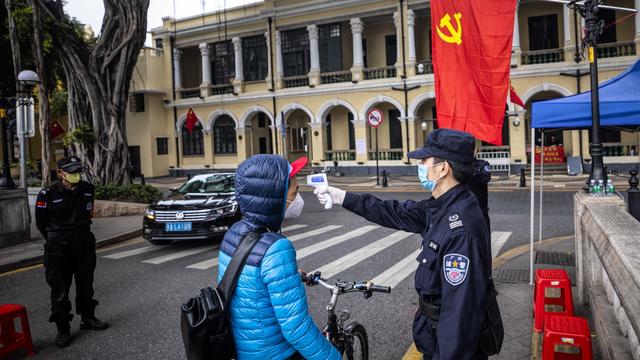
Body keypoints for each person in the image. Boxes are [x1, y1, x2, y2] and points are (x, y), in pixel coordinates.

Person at [315, 129, 493, 359]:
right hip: (434, 336)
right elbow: (394, 211)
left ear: (443, 168)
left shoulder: (460, 227)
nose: (419, 164)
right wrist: (342, 197)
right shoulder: (443, 206)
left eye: (424, 160)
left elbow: (460, 314)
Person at [217, 155, 340, 360]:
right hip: (274, 353)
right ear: (277, 196)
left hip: (243, 348)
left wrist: (287, 275)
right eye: (295, 191)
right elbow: (296, 328)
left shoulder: (234, 232)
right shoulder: (276, 248)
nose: (297, 196)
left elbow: (247, 282)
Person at [35, 156, 108, 348]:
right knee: (59, 289)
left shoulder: (87, 189)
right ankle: (63, 328)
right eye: (72, 171)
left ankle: (87, 318)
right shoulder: (47, 194)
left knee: (86, 282)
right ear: (60, 173)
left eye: (78, 171)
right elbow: (41, 223)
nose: (76, 175)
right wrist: (55, 238)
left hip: (83, 241)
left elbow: (88, 213)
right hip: (58, 245)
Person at [468, 158, 491, 231]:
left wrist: (472, 171)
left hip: (481, 210)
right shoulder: (459, 165)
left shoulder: (483, 164)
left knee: (484, 238)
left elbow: (486, 178)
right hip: (465, 211)